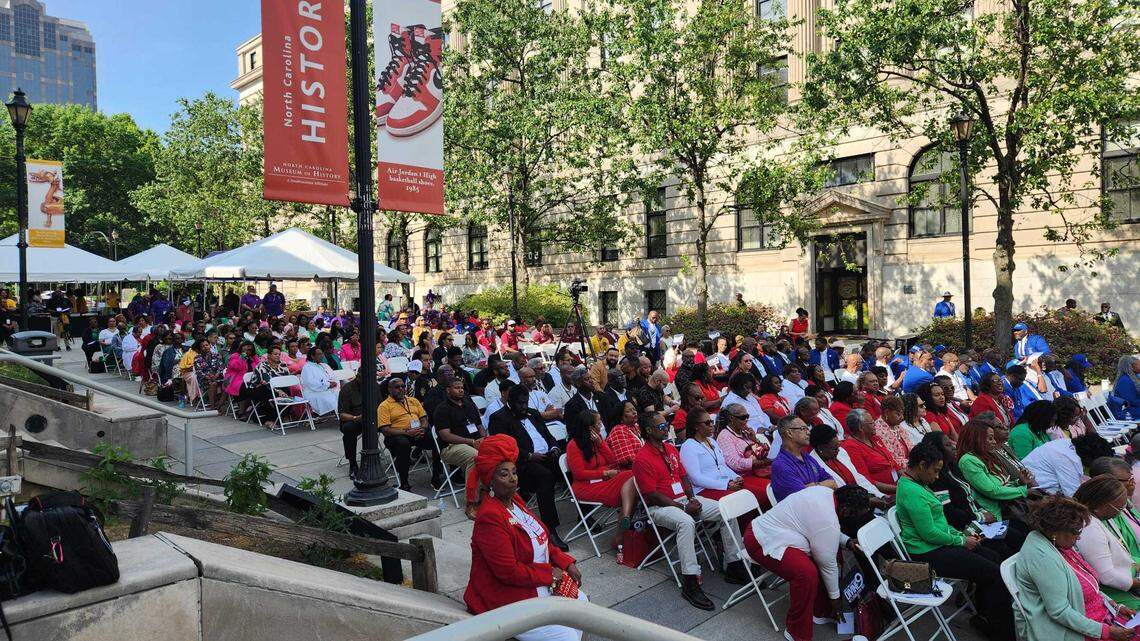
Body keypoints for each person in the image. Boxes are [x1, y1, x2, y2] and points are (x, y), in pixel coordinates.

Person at [463, 434, 586, 641]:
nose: (513, 479)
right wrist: (550, 574)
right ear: (490, 479)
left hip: (536, 582)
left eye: (514, 472)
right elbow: (508, 572)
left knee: (583, 608)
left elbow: (541, 540)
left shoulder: (515, 501)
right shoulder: (489, 517)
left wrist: (566, 563)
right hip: (507, 597)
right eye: (504, 474)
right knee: (565, 636)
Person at [894, 441, 1014, 640]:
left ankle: (986, 615)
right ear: (922, 465)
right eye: (935, 471)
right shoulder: (911, 491)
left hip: (938, 543)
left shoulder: (917, 483)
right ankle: (1001, 633)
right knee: (994, 573)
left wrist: (962, 536)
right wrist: (961, 541)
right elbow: (929, 534)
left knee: (993, 558)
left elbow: (937, 525)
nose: (937, 476)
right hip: (927, 551)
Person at [633, 411, 748, 609]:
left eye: (665, 425)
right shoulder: (642, 459)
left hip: (683, 499)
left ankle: (734, 564)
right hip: (660, 506)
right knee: (685, 522)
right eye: (661, 427)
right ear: (649, 431)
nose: (666, 429)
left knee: (726, 509)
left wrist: (691, 499)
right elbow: (652, 495)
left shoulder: (669, 448)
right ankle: (690, 580)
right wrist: (684, 506)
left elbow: (684, 477)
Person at [1014, 495, 1135, 641]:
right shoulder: (1043, 558)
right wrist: (1107, 631)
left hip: (1098, 617)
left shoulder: (1057, 544)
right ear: (1055, 530)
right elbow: (1059, 612)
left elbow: (1090, 586)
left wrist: (1116, 607)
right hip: (1076, 630)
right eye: (1076, 532)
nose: (1078, 537)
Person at [743, 485, 855, 641]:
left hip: (785, 534)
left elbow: (826, 531)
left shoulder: (827, 494)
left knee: (827, 556)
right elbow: (827, 560)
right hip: (762, 539)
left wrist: (847, 541)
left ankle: (821, 610)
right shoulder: (826, 514)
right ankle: (796, 632)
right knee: (806, 573)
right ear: (845, 510)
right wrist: (835, 598)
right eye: (854, 514)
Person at [488, 385, 566, 550]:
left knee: (570, 466)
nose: (524, 407)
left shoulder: (532, 413)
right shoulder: (499, 418)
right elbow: (505, 448)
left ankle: (585, 515)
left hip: (547, 456)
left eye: (525, 403)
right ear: (510, 401)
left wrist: (554, 447)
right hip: (522, 463)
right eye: (520, 404)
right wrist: (529, 456)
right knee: (545, 477)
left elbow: (548, 435)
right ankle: (550, 529)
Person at [566, 409, 636, 549]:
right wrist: (605, 473)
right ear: (590, 428)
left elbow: (612, 460)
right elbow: (579, 474)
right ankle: (623, 530)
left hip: (604, 481)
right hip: (585, 486)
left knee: (632, 479)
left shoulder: (596, 441)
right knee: (631, 476)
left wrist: (600, 443)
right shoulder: (574, 445)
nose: (602, 425)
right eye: (599, 423)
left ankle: (623, 529)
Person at [1072, 475, 1140, 610]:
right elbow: (1107, 577)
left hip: (1125, 581)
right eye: (1118, 509)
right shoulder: (1089, 528)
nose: (1120, 513)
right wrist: (1137, 583)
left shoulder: (1097, 518)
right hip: (1113, 592)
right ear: (1099, 505)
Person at [957, 419, 1032, 520]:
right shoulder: (968, 460)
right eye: (990, 438)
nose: (994, 442)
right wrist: (1024, 491)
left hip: (1009, 505)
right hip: (997, 514)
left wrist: (1019, 482)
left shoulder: (986, 455)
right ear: (977, 439)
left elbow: (1002, 484)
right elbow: (992, 491)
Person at [809, 424, 888, 505]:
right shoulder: (813, 466)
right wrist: (867, 501)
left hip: (864, 497)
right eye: (834, 448)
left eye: (838, 446)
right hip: (846, 507)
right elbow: (836, 495)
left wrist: (880, 495)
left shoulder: (841, 453)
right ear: (821, 448)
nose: (838, 450)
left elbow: (858, 478)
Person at [378, 378, 433, 490]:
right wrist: (407, 433)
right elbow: (385, 430)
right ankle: (404, 482)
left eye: (403, 386)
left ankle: (437, 476)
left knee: (437, 439)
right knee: (403, 444)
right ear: (389, 389)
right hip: (397, 435)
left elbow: (424, 418)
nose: (401, 389)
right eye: (397, 387)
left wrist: (423, 428)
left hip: (417, 432)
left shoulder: (413, 400)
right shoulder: (384, 406)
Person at [433, 376, 486, 492]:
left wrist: (484, 438)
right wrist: (471, 442)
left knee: (500, 450)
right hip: (451, 447)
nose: (461, 390)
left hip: (476, 442)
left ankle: (492, 492)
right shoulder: (442, 409)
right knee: (475, 457)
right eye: (457, 388)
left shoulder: (470, 405)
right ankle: (472, 498)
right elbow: (445, 436)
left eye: (462, 388)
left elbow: (479, 425)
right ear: (448, 390)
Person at [716, 403, 773, 506]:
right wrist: (757, 463)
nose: (746, 420)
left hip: (761, 469)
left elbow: (761, 453)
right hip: (744, 476)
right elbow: (734, 463)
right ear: (731, 418)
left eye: (747, 416)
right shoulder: (724, 436)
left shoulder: (746, 432)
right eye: (742, 417)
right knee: (770, 488)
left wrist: (755, 440)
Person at [769, 415, 836, 502]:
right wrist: (822, 485)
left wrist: (812, 486)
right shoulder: (781, 465)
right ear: (789, 433)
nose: (808, 432)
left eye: (807, 429)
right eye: (803, 429)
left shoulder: (806, 456)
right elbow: (804, 498)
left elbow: (832, 482)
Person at [336, 371, 386, 480]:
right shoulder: (347, 389)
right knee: (348, 429)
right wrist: (355, 418)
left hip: (373, 418)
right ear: (358, 377)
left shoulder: (374, 387)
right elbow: (342, 415)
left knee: (392, 423)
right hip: (355, 419)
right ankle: (353, 463)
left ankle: (396, 457)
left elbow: (381, 406)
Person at [842, 409, 898, 495]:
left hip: (897, 484)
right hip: (881, 494)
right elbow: (866, 481)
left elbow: (894, 464)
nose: (875, 425)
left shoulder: (875, 438)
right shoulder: (851, 447)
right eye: (871, 423)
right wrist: (898, 489)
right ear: (861, 428)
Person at [299, 348, 339, 416]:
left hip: (325, 389)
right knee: (331, 399)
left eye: (322, 353)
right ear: (312, 356)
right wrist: (328, 385)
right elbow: (311, 383)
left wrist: (332, 383)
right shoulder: (307, 367)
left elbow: (332, 377)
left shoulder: (323, 365)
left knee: (340, 394)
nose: (322, 356)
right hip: (313, 392)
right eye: (319, 354)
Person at [605, 401, 644, 468]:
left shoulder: (636, 427)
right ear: (621, 416)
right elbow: (627, 461)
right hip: (629, 471)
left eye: (634, 409)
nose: (634, 412)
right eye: (628, 411)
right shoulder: (618, 430)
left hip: (643, 465)